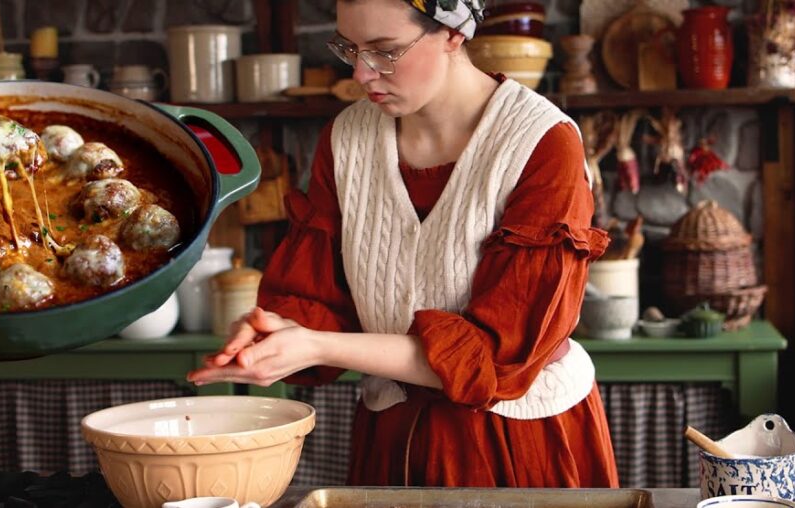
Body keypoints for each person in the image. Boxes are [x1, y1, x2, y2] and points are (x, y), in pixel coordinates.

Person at [188, 0, 618, 488]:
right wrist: (280, 330)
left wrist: (315, 344)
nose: (361, 73)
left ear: (454, 33)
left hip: (514, 440)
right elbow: (325, 304)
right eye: (350, 48)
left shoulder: (541, 143)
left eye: (385, 50)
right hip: (391, 432)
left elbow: (496, 359)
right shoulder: (346, 139)